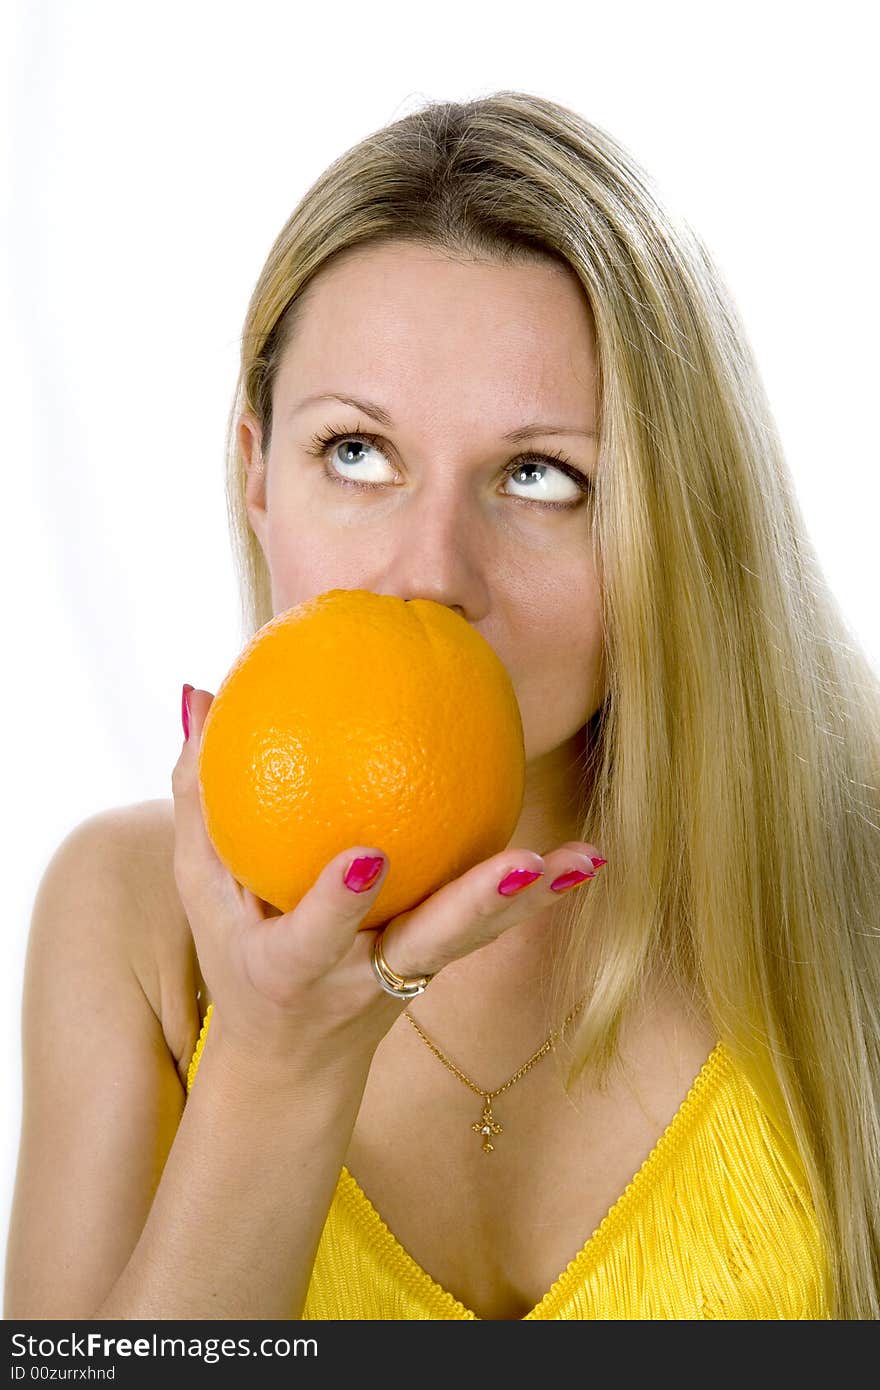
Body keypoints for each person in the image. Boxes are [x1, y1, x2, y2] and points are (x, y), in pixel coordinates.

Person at [5, 91, 879, 1323]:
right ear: (256, 471)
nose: (428, 573)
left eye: (539, 477)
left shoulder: (854, 880)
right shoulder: (127, 915)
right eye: (356, 452)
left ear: (674, 523)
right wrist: (270, 1063)